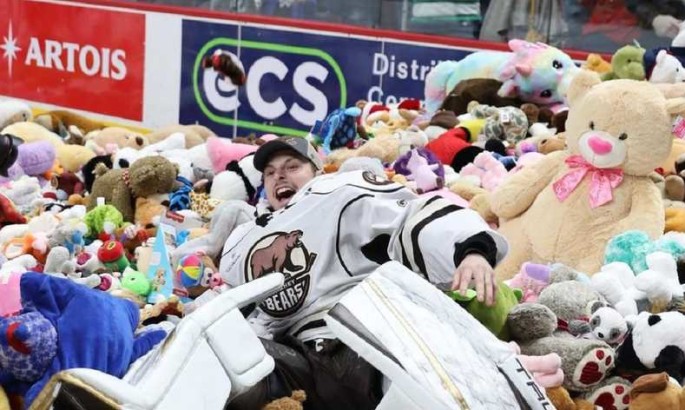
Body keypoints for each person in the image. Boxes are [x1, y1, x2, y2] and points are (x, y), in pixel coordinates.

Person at [220, 136, 508, 409]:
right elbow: (233, 310)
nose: (279, 177)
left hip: (362, 338)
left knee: (417, 387)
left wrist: (471, 249)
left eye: (291, 167)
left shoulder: (341, 192)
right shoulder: (244, 238)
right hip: (296, 361)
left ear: (318, 171)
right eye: (270, 173)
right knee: (221, 361)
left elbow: (409, 217)